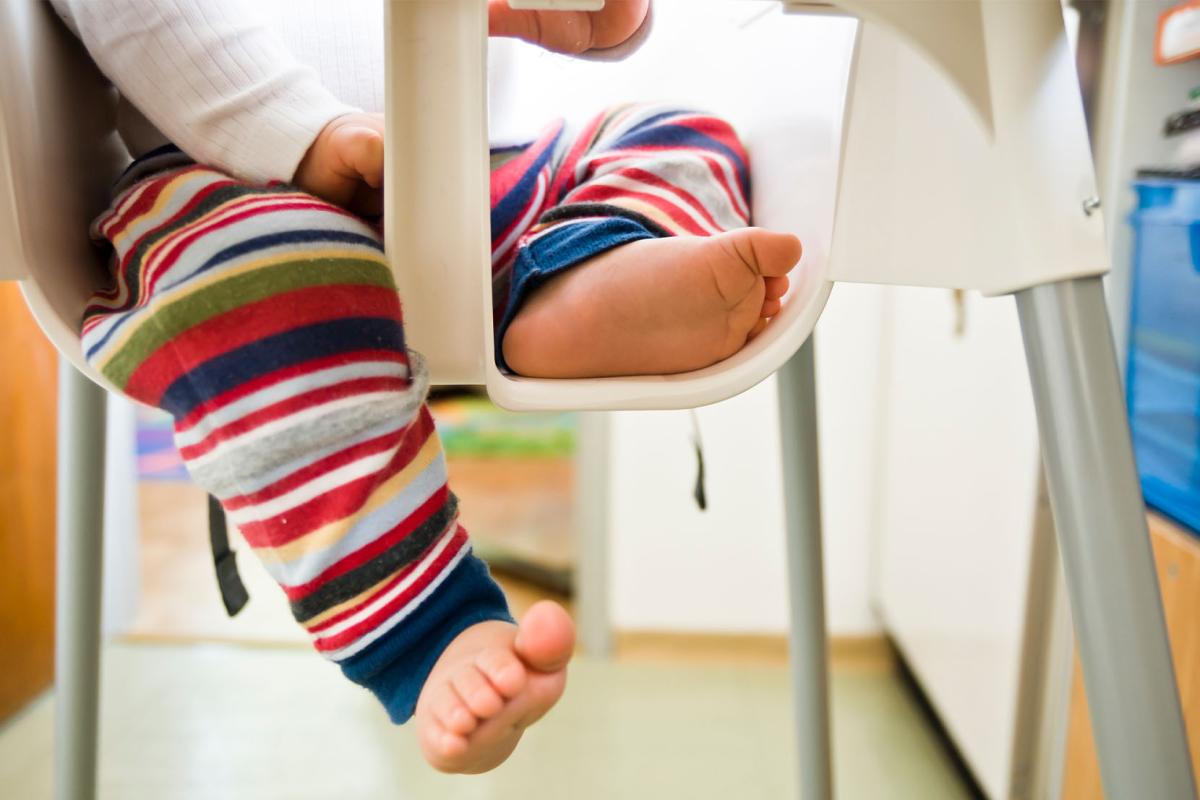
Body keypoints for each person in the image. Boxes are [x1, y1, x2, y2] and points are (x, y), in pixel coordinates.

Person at [50, 0, 802, 773]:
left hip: (493, 169)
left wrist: (602, 18)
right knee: (252, 286)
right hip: (233, 178)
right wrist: (301, 134)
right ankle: (427, 629)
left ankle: (582, 270)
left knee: (678, 130)